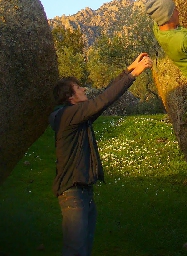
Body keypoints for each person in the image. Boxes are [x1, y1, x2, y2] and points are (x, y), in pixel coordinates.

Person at [49, 52, 153, 256]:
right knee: (75, 250)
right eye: (79, 88)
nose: (84, 89)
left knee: (83, 248)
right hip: (73, 193)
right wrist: (135, 75)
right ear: (71, 98)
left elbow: (104, 96)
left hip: (84, 192)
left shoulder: (77, 116)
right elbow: (103, 100)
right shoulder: (69, 115)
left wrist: (129, 69)